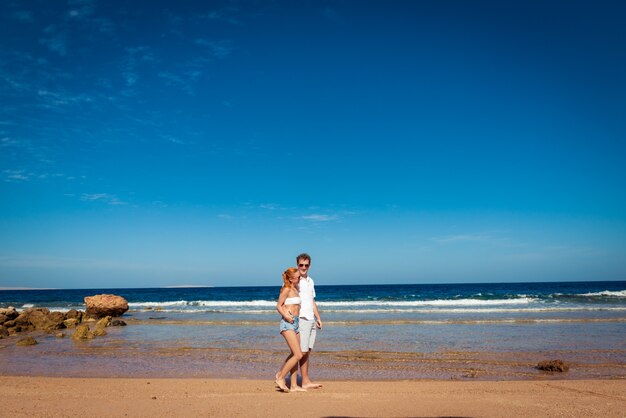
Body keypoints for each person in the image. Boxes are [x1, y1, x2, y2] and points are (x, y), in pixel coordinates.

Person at [274, 267, 306, 392]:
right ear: (291, 279)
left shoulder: (295, 289)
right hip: (287, 324)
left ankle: (293, 386)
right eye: (297, 277)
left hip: (296, 323)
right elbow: (278, 305)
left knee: (296, 354)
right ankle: (281, 377)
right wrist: (286, 315)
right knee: (298, 354)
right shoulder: (286, 289)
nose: (299, 278)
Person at [296, 253, 323, 389]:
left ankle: (305, 380)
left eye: (306, 265)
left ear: (309, 266)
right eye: (301, 264)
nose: (303, 267)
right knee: (300, 352)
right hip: (301, 319)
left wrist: (318, 318)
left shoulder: (310, 281)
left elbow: (312, 301)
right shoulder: (294, 280)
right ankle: (281, 374)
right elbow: (286, 296)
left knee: (307, 351)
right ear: (297, 265)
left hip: (311, 319)